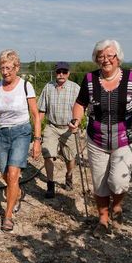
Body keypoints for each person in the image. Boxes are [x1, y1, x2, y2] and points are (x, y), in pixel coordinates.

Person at [69, 39, 132, 238]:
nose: (105, 60)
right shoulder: (89, 79)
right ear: (96, 59)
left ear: (118, 58)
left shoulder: (131, 78)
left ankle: (118, 206)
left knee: (118, 182)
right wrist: (75, 119)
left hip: (126, 137)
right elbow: (80, 103)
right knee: (99, 182)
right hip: (97, 138)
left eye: (110, 56)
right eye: (101, 56)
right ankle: (103, 220)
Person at [0, 49, 42, 233]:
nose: (5, 72)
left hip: (21, 132)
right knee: (4, 172)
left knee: (13, 174)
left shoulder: (26, 86)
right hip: (1, 133)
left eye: (9, 68)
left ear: (17, 67)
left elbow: (35, 115)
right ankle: (16, 192)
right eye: (2, 68)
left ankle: (8, 215)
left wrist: (37, 140)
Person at [38, 61, 80, 198]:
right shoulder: (48, 87)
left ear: (68, 73)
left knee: (70, 157)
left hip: (69, 128)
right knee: (48, 154)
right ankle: (50, 185)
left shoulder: (75, 88)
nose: (61, 74)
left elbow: (81, 109)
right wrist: (37, 129)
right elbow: (42, 110)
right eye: (58, 72)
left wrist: (77, 122)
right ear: (55, 73)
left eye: (64, 72)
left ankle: (69, 175)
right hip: (52, 126)